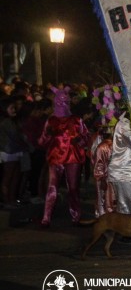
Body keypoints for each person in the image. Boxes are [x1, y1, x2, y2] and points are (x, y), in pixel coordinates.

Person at [39, 85, 89, 226]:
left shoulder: (77, 120)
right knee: (52, 187)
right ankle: (46, 217)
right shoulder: (51, 121)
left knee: (73, 188)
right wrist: (49, 134)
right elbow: (42, 141)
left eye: (65, 102)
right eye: (60, 103)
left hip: (72, 157)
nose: (62, 105)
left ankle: (75, 216)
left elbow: (86, 138)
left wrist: (78, 140)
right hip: (56, 157)